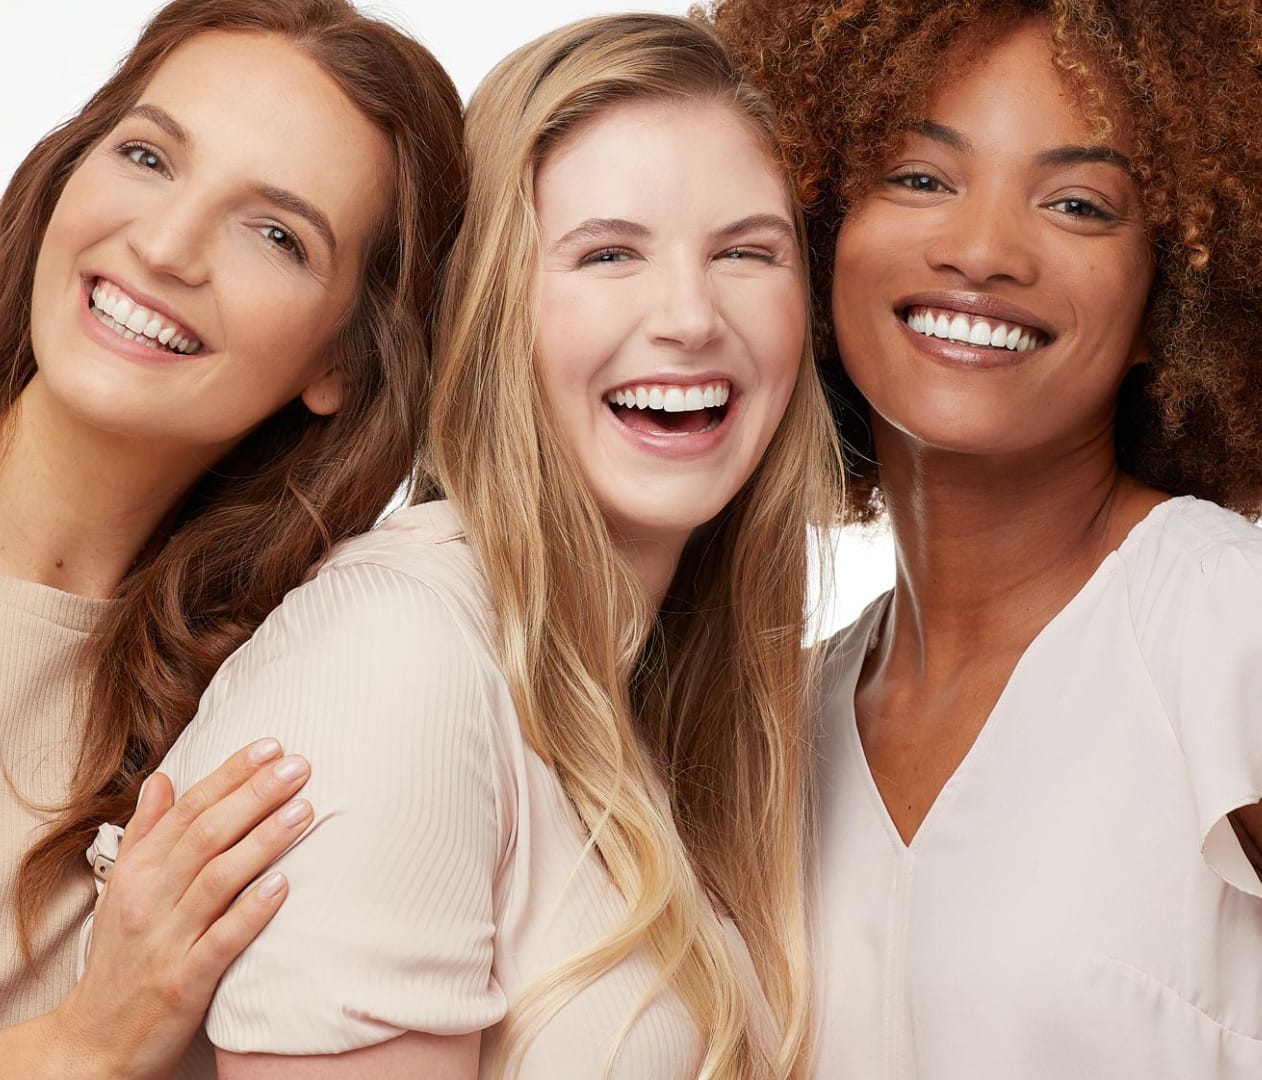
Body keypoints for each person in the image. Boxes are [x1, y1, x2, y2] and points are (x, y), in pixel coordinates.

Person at [157, 13, 843, 1079]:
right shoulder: (398, 650)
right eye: (606, 253)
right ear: (488, 307)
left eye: (745, 252)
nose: (689, 317)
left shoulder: (648, 695)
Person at [705, 0, 1262, 1075]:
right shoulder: (787, 717)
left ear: (1172, 299)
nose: (981, 250)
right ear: (817, 238)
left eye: (1076, 202)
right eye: (918, 177)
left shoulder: (1213, 615)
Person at [0, 0, 464, 1075]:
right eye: (149, 155)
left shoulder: (274, 704)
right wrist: (83, 1044)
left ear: (342, 362)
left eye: (275, 234)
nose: (163, 246)